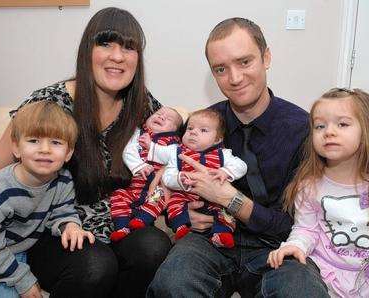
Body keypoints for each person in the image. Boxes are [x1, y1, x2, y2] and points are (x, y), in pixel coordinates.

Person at [0, 7, 171, 297]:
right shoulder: (51, 103)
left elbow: (184, 149)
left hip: (116, 221)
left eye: (129, 47)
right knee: (96, 265)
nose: (117, 56)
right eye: (105, 44)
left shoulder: (142, 106)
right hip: (50, 227)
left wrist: (169, 173)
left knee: (154, 247)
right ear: (87, 51)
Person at [148, 18, 330, 297]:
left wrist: (229, 199)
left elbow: (303, 223)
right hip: (210, 240)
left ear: (266, 57)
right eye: (221, 69)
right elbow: (170, 184)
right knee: (172, 282)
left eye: (244, 62)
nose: (234, 78)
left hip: (278, 246)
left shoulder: (302, 130)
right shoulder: (201, 127)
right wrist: (182, 215)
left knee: (302, 291)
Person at [267, 88, 369, 297]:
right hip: (326, 274)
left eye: (342, 124)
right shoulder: (309, 186)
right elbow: (306, 228)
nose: (329, 132)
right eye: (320, 126)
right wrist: (295, 245)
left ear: (366, 131)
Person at [0, 101, 94, 298]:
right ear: (16, 148)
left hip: (14, 251)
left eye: (55, 142)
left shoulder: (63, 180)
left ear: (68, 152)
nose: (44, 149)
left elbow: (63, 211)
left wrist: (70, 225)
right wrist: (24, 281)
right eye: (34, 140)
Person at [144, 108, 247, 248]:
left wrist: (225, 171)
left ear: (217, 139)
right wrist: (179, 179)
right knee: (174, 204)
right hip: (185, 195)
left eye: (203, 130)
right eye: (190, 128)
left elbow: (241, 166)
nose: (193, 132)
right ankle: (181, 228)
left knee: (225, 213)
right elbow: (168, 176)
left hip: (214, 198)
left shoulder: (223, 154)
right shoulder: (177, 152)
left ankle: (222, 234)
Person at [110, 106, 183, 242]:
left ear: (175, 130)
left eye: (168, 118)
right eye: (158, 113)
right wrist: (139, 166)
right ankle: (121, 227)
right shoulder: (137, 134)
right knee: (118, 195)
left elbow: (172, 158)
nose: (161, 117)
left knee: (159, 198)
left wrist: (151, 146)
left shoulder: (174, 143)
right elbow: (128, 150)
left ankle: (141, 220)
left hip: (157, 188)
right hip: (134, 186)